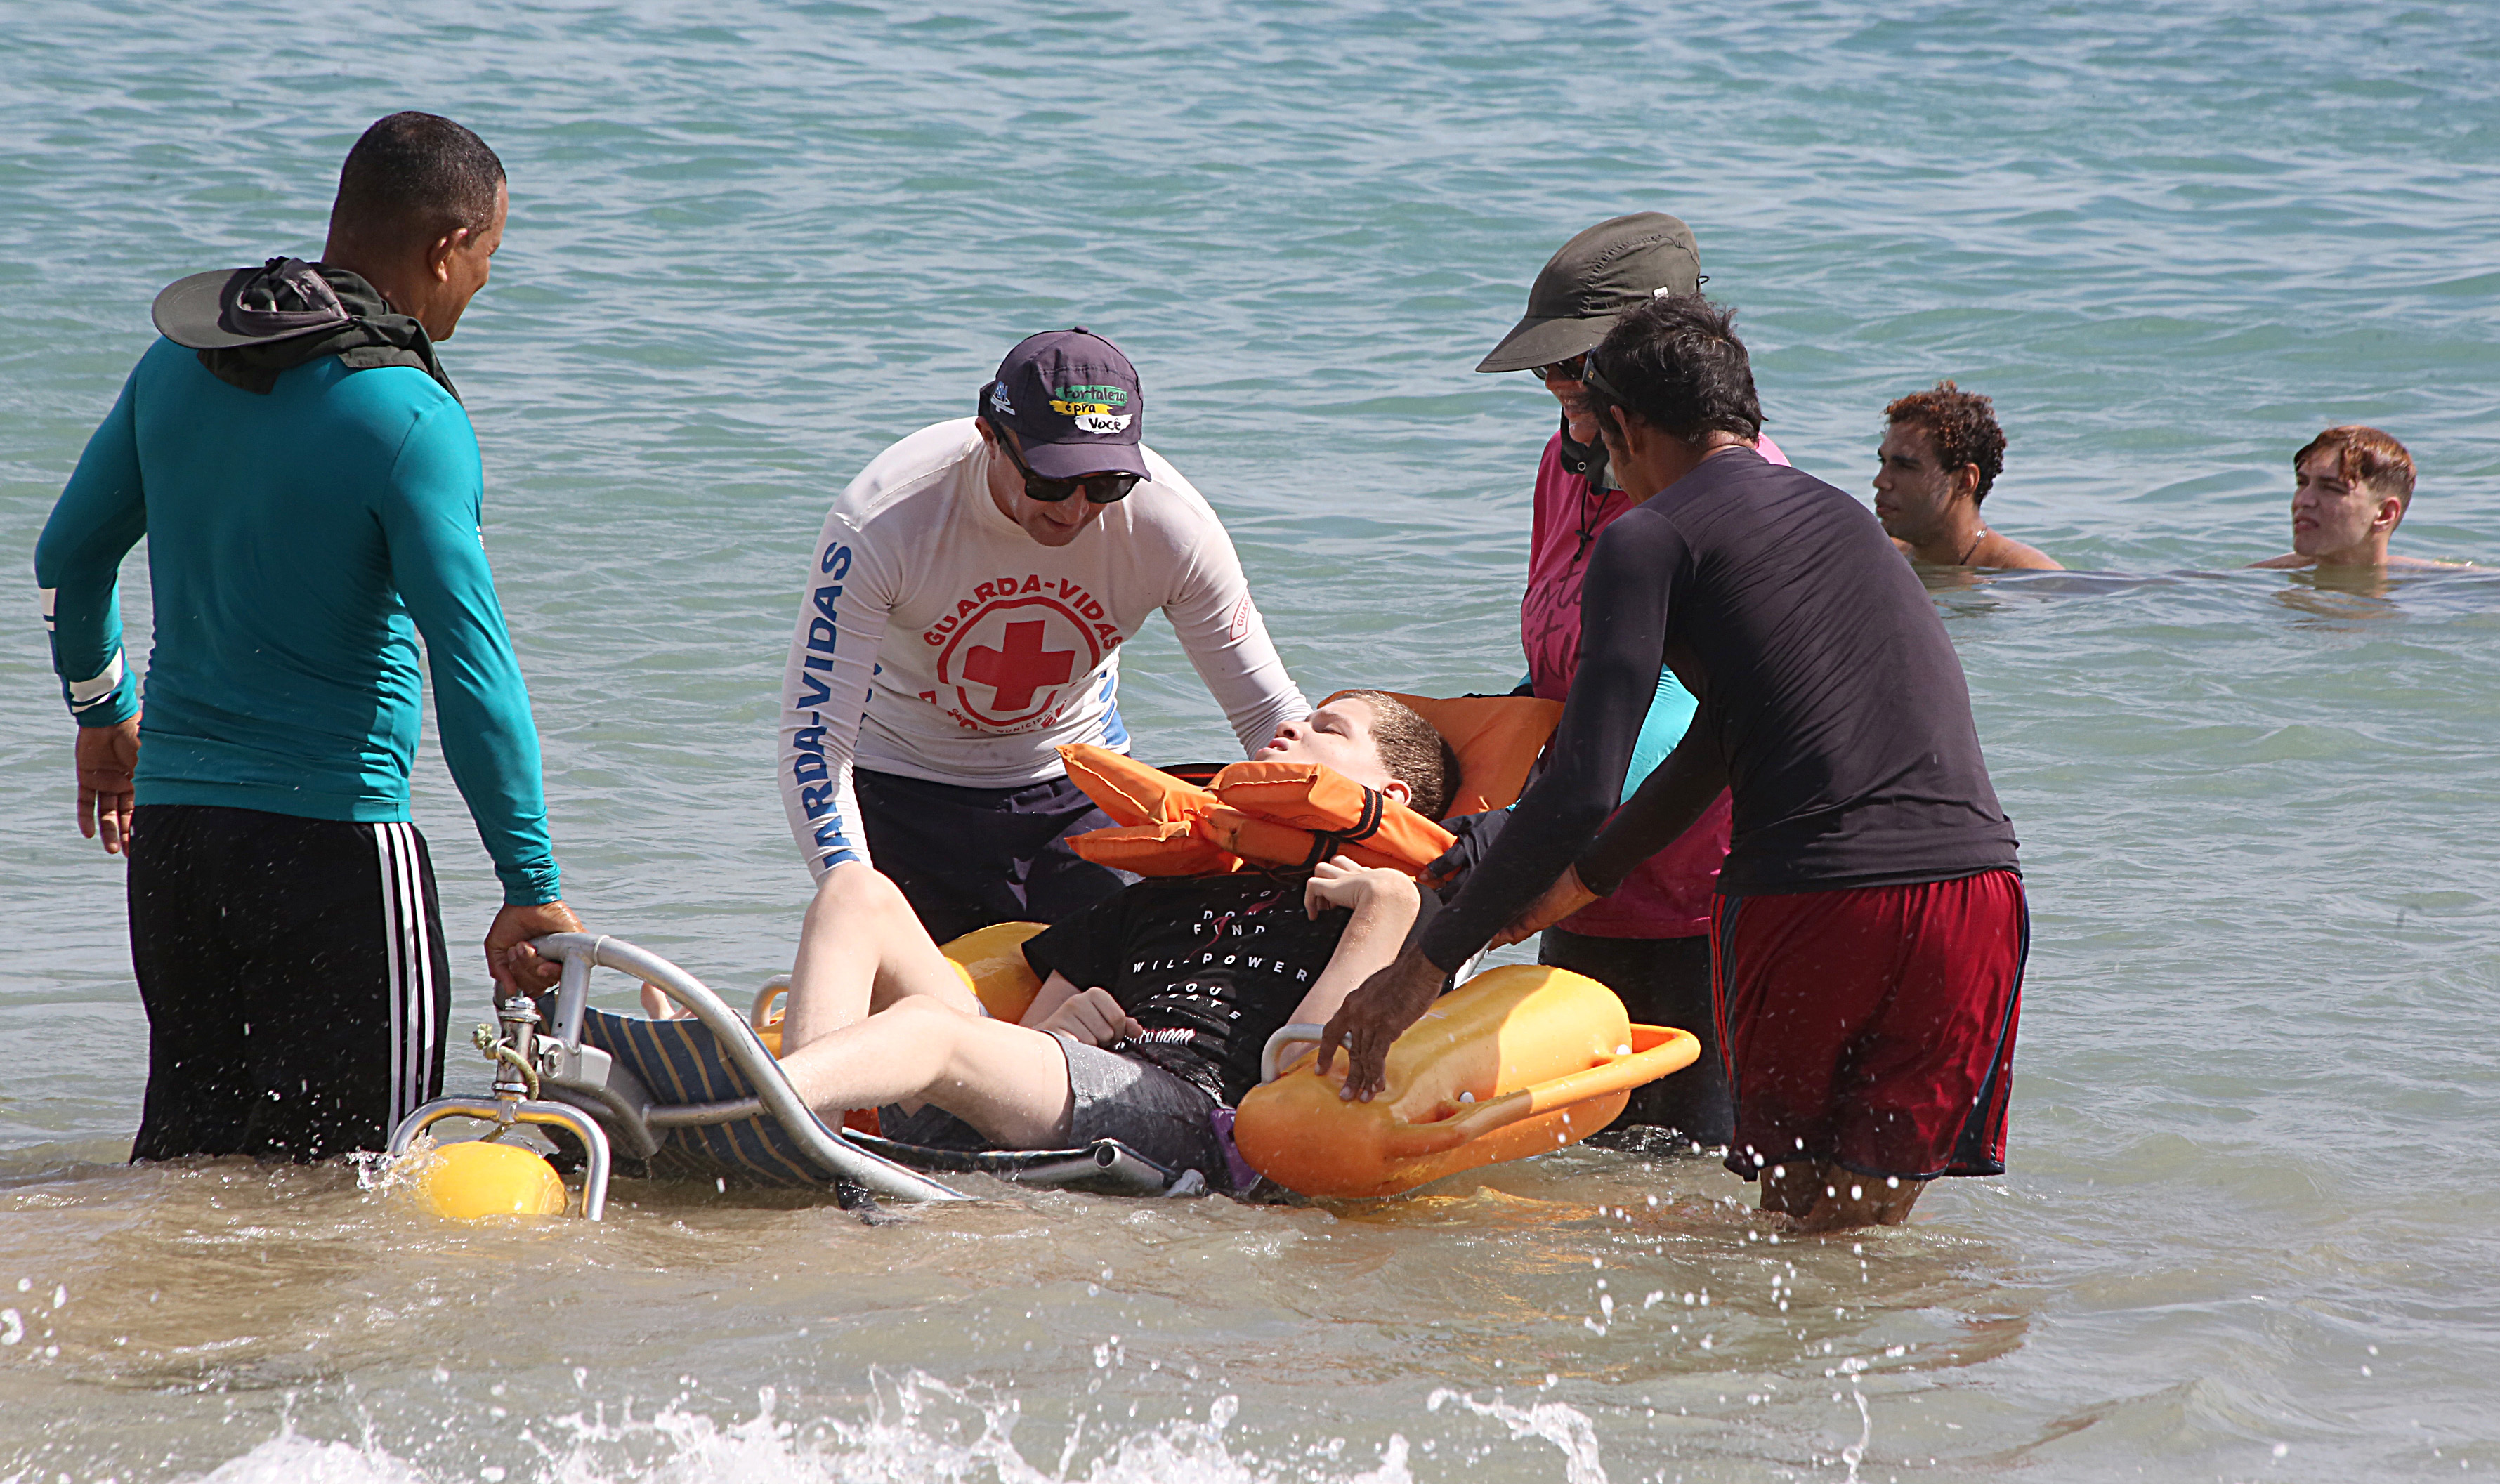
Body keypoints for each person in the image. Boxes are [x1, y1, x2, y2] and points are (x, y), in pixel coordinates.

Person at [1323, 296, 2027, 1233]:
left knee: (1792, 1221)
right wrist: (1583, 881)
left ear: (1626, 427)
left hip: (1815, 899)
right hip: (1975, 894)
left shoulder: (1645, 535)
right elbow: (1717, 744)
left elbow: (1582, 782)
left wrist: (1422, 968)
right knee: (1861, 1230)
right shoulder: (1841, 519)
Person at [33, 112, 581, 1163]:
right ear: (444, 247)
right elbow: (472, 668)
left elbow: (69, 560)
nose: (479, 290)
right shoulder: (408, 416)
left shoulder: (175, 368)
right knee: (362, 1186)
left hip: (178, 847)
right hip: (335, 851)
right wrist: (530, 881)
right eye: (488, 261)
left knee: (196, 1171)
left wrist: (106, 717)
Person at [731, 694, 1454, 1195]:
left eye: (1327, 728)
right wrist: (1062, 1028)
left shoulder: (1395, 913)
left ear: (1391, 794)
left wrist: (1386, 900)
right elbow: (1035, 1043)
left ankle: (748, 1113)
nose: (1291, 728)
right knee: (855, 892)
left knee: (929, 1031)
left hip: (1186, 1111)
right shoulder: (1162, 892)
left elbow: (1304, 1067)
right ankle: (807, 1141)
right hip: (1056, 1093)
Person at [779, 329, 1309, 944]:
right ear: (990, 438)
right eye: (1052, 482)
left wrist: (1353, 842)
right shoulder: (884, 520)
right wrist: (850, 888)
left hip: (1076, 779)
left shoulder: (1174, 526)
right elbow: (817, 740)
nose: (1076, 509)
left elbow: (1268, 713)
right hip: (900, 789)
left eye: (1107, 483)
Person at [1464, 211, 1800, 1147]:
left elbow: (1679, 706)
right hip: (1583, 882)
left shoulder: (1735, 491)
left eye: (1577, 368)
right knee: (1577, 1164)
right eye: (1549, 371)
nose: (1560, 392)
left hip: (1712, 896)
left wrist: (1506, 844)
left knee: (1700, 1179)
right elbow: (1569, 668)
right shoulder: (1561, 466)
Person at [1873, 381, 2061, 571]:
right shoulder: (1877, 554)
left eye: (1905, 466)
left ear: (1964, 482)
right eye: (1883, 462)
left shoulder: (2027, 576)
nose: (1880, 481)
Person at [2249, 425, 2460, 570]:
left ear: (2385, 514)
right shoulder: (2247, 582)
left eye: (2331, 488)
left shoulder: (2450, 586)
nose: (2304, 500)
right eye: (2302, 483)